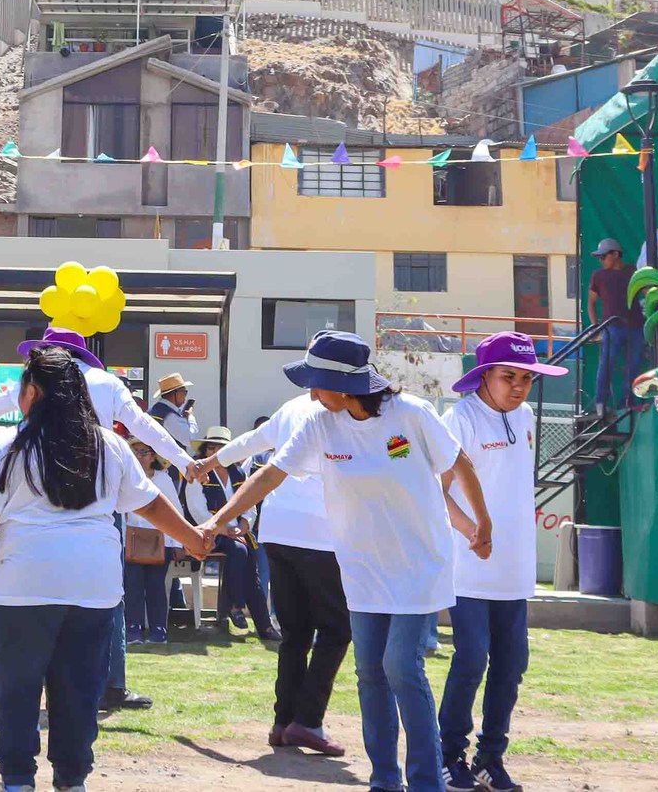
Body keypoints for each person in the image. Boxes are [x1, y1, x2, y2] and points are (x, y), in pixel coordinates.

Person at [201, 332, 494, 792]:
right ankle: (384, 780)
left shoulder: (411, 414)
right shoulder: (320, 423)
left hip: (418, 565)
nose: (311, 394)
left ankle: (425, 782)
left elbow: (461, 464)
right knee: (370, 673)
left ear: (343, 386)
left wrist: (483, 524)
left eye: (316, 384)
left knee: (401, 666)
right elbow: (270, 474)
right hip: (362, 570)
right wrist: (217, 520)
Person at [0, 345, 209, 792]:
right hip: (94, 585)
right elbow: (149, 503)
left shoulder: (8, 444)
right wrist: (191, 537)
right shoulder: (109, 444)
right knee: (79, 690)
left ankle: (17, 779)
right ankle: (72, 778)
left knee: (17, 688)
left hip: (25, 583)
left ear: (32, 393)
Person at [191, 390, 352, 756]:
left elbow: (251, 441)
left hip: (278, 529)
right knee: (337, 629)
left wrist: (209, 462)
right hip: (319, 533)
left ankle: (283, 723)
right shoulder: (340, 410)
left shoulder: (292, 405)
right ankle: (306, 720)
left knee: (295, 633)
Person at [437, 334, 564, 792]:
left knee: (511, 666)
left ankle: (490, 759)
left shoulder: (526, 416)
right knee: (472, 659)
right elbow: (435, 488)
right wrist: (472, 531)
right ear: (484, 375)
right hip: (468, 568)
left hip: (514, 571)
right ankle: (447, 755)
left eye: (527, 378)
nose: (519, 386)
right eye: (509, 376)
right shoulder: (460, 419)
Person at [185, 425, 276, 639]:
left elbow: (250, 503)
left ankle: (263, 626)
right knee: (240, 552)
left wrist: (244, 524)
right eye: (211, 448)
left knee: (251, 566)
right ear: (205, 451)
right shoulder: (198, 474)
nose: (215, 452)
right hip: (209, 533)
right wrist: (223, 529)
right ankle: (237, 607)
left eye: (221, 449)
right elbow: (197, 511)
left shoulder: (239, 472)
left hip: (238, 533)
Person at [121, 438, 177, 644]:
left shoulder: (164, 480)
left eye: (143, 452)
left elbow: (175, 512)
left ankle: (159, 630)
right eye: (135, 452)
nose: (139, 456)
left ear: (153, 456)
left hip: (160, 540)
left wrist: (177, 543)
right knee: (132, 586)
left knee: (156, 586)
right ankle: (133, 630)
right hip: (130, 539)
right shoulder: (125, 478)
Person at [587, 238, 645, 415]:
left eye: (603, 256)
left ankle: (627, 403)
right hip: (611, 327)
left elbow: (646, 292)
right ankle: (600, 403)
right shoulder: (598, 275)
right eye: (600, 257)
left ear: (616, 254)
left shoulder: (633, 271)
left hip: (636, 325)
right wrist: (595, 325)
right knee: (606, 365)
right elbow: (591, 302)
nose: (601, 260)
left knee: (634, 365)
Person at [148, 373, 198, 449]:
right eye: (184, 392)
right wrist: (191, 416)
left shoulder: (154, 409)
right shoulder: (170, 415)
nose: (185, 396)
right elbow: (190, 440)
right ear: (176, 393)